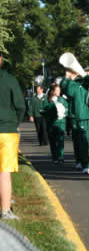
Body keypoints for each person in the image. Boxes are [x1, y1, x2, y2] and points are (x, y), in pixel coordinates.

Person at [0, 53, 26, 219]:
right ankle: (5, 210)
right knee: (4, 172)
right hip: (7, 130)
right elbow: (20, 106)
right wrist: (14, 122)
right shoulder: (10, 80)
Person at [61, 70, 89, 174]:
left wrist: (87, 76)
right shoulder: (75, 85)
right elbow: (66, 90)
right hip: (81, 117)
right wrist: (68, 77)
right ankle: (86, 164)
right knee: (83, 142)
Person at [42, 84, 68, 165]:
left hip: (61, 123)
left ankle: (61, 157)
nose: (59, 92)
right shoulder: (47, 100)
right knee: (53, 141)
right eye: (57, 90)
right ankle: (55, 157)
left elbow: (67, 108)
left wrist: (64, 114)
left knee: (60, 140)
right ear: (53, 91)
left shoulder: (62, 100)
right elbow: (45, 109)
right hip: (51, 123)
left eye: (59, 90)